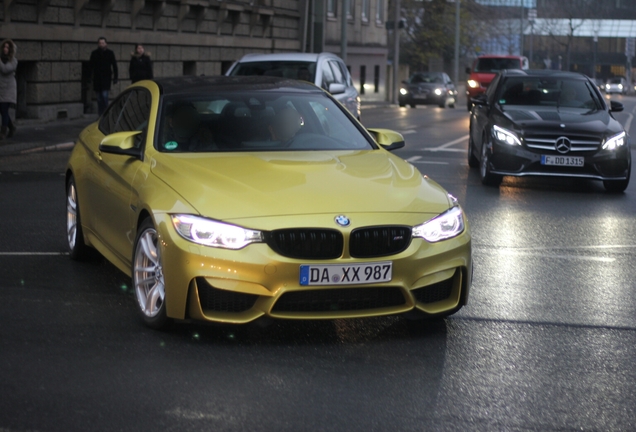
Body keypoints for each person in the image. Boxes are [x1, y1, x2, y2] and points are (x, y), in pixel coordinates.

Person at [90, 37, 118, 116]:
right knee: (99, 98)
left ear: (106, 44)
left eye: (103, 43)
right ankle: (100, 114)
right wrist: (89, 78)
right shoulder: (94, 53)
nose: (101, 44)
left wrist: (115, 77)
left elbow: (114, 66)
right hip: (97, 78)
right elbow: (90, 66)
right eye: (100, 43)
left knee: (105, 96)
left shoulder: (110, 53)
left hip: (106, 78)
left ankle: (106, 114)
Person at [0, 39, 18, 139]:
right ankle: (12, 127)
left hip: (8, 90)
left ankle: (3, 132)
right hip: (1, 89)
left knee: (4, 110)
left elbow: (5, 69)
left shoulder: (13, 61)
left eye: (7, 47)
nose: (5, 49)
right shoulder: (1, 59)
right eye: (4, 47)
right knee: (3, 111)